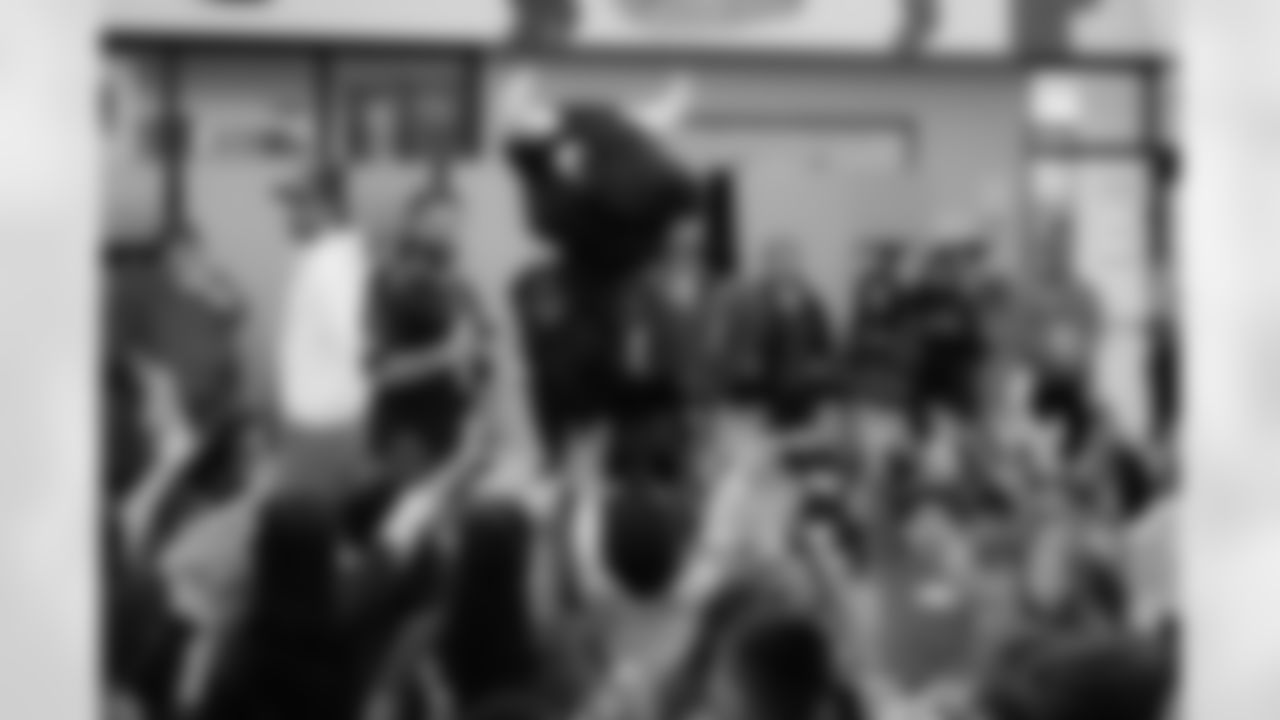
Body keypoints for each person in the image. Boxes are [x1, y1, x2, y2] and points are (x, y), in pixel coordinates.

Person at [368, 186, 492, 485]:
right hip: (409, 438)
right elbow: (381, 371)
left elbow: (480, 354)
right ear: (414, 224)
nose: (447, 232)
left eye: (453, 223)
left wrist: (480, 420)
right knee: (411, 511)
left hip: (459, 429)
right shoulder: (388, 282)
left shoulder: (459, 282)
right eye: (437, 223)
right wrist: (446, 354)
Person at [274, 165, 374, 502]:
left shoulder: (331, 266)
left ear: (326, 207)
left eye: (298, 204)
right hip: (322, 422)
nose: (289, 215)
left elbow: (357, 349)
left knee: (313, 519)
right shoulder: (322, 257)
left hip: (324, 426)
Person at [724, 240, 835, 430]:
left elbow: (823, 345)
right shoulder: (752, 300)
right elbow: (743, 348)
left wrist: (818, 373)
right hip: (765, 392)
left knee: (803, 435)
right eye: (779, 261)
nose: (785, 267)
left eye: (789, 261)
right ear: (770, 266)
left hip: (804, 391)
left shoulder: (811, 300)